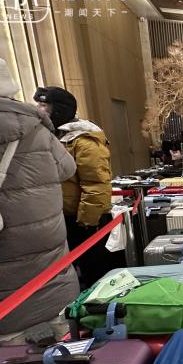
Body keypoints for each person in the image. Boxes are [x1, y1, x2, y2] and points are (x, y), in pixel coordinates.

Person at [0, 49, 79, 346]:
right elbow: (67, 168)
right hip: (52, 270)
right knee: (72, 350)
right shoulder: (35, 127)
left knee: (10, 363)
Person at [34, 86, 113, 287]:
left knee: (93, 271)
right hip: (60, 217)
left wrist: (87, 221)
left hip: (82, 219)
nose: (38, 109)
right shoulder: (50, 137)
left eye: (43, 105)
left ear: (58, 109)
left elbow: (96, 183)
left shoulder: (83, 139)